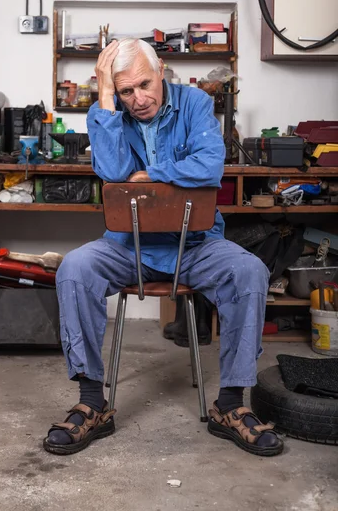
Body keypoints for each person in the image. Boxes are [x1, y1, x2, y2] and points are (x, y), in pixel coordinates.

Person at [43, 38, 283, 457]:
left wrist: (148, 175)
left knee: (250, 271)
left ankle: (230, 406)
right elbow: (113, 172)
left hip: (195, 244)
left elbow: (209, 166)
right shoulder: (113, 113)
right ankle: (92, 403)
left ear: (162, 71)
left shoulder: (194, 104)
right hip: (128, 246)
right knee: (76, 268)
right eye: (125, 91)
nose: (137, 99)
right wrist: (103, 98)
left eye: (144, 85)